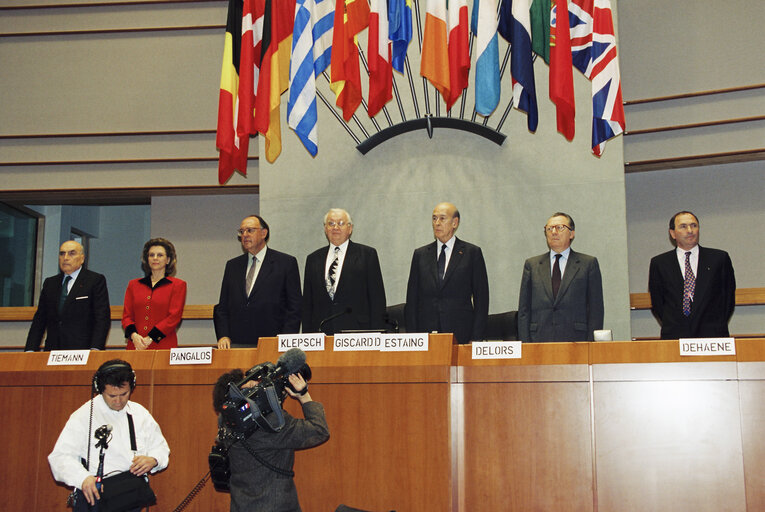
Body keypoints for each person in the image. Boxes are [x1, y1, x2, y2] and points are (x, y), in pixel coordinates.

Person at [48, 359, 170, 511]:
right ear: (99, 389)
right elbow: (60, 457)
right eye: (112, 396)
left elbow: (161, 448)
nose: (118, 401)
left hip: (130, 496)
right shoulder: (83, 416)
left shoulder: (139, 413)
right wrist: (82, 478)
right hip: (95, 496)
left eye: (124, 394)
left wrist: (153, 459)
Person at [213, 368, 329, 512]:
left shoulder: (225, 420)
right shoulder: (273, 423)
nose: (257, 387)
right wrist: (303, 395)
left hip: (240, 505)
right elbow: (319, 430)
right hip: (276, 506)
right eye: (251, 387)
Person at [405, 202, 489, 344]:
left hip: (461, 332)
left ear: (455, 223)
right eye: (434, 218)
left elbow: (482, 299)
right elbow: (412, 299)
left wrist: (476, 337)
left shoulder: (472, 253)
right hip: (426, 335)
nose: (437, 223)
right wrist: (413, 337)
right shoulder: (421, 255)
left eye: (442, 219)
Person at [215, 215, 302, 348]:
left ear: (263, 233)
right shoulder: (233, 266)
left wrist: (286, 340)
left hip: (272, 342)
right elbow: (222, 307)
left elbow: (294, 307)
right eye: (242, 231)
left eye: (250, 230)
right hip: (237, 343)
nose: (244, 235)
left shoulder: (285, 263)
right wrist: (223, 335)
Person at [517, 212, 604, 342]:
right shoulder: (532, 265)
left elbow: (596, 309)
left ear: (571, 233)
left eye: (559, 227)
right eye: (549, 228)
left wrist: (591, 345)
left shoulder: (588, 264)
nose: (554, 232)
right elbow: (524, 310)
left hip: (577, 340)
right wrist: (525, 344)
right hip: (539, 340)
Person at [648, 211, 736, 339]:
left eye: (694, 225)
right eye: (683, 226)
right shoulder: (660, 263)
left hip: (712, 336)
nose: (690, 230)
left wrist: (715, 324)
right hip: (675, 335)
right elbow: (658, 303)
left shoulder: (719, 259)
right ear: (672, 233)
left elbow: (727, 299)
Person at [302, 208, 387, 334]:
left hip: (358, 333)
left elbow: (377, 300)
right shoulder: (313, 259)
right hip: (322, 333)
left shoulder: (367, 255)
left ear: (350, 229)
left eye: (341, 223)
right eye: (331, 224)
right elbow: (308, 304)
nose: (335, 227)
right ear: (325, 229)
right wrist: (307, 337)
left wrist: (376, 335)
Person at [25, 240, 110, 351]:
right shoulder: (50, 283)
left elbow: (102, 318)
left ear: (82, 258)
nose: (65, 258)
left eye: (71, 253)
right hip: (53, 350)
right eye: (62, 253)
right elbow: (39, 320)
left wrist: (96, 348)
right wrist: (30, 349)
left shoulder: (94, 280)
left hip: (83, 350)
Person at [122, 237, 187, 350]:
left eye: (160, 255)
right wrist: (134, 337)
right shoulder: (134, 284)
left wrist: (151, 338)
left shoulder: (178, 285)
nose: (155, 258)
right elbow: (127, 316)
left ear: (168, 260)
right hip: (136, 345)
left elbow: (174, 317)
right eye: (151, 255)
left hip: (163, 345)